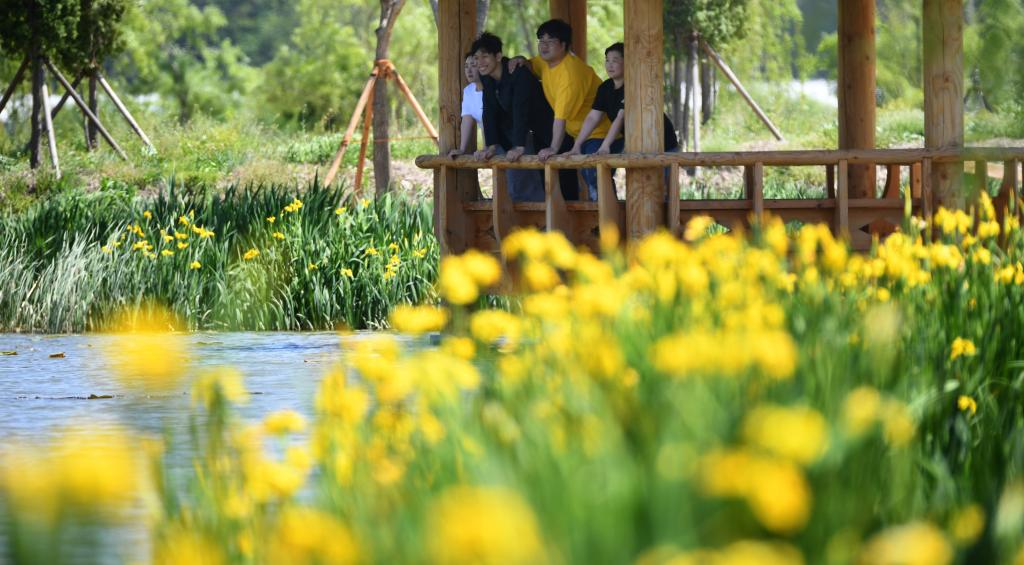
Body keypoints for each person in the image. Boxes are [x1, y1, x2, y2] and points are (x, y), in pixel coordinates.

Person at [566, 42, 680, 200]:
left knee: (663, 196)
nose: (609, 65)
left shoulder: (634, 86)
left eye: (615, 60)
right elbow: (593, 117)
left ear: (627, 62)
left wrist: (605, 146)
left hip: (663, 143)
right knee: (643, 193)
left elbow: (620, 118)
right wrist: (577, 145)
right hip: (638, 145)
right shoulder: (605, 88)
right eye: (607, 60)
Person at [510, 19, 609, 200]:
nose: (544, 45)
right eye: (541, 40)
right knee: (590, 184)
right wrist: (521, 59)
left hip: (599, 134)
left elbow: (560, 118)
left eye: (550, 41)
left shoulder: (570, 74)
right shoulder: (547, 62)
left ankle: (607, 225)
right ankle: (593, 222)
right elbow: (532, 65)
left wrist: (553, 147)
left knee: (597, 183)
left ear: (564, 45)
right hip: (578, 133)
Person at [470, 32, 546, 202]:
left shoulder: (517, 73)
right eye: (476, 57)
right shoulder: (486, 76)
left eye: (485, 56)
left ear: (498, 56)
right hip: (514, 133)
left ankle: (542, 224)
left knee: (541, 182)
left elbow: (521, 109)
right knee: (514, 182)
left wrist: (519, 145)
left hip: (540, 130)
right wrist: (490, 145)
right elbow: (488, 110)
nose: (479, 62)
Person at [447, 52, 484, 159]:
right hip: (490, 147)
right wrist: (462, 149)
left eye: (473, 65)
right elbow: (467, 119)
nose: (469, 70)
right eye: (466, 66)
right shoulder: (468, 91)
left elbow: (489, 122)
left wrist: (486, 148)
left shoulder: (491, 89)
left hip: (505, 144)